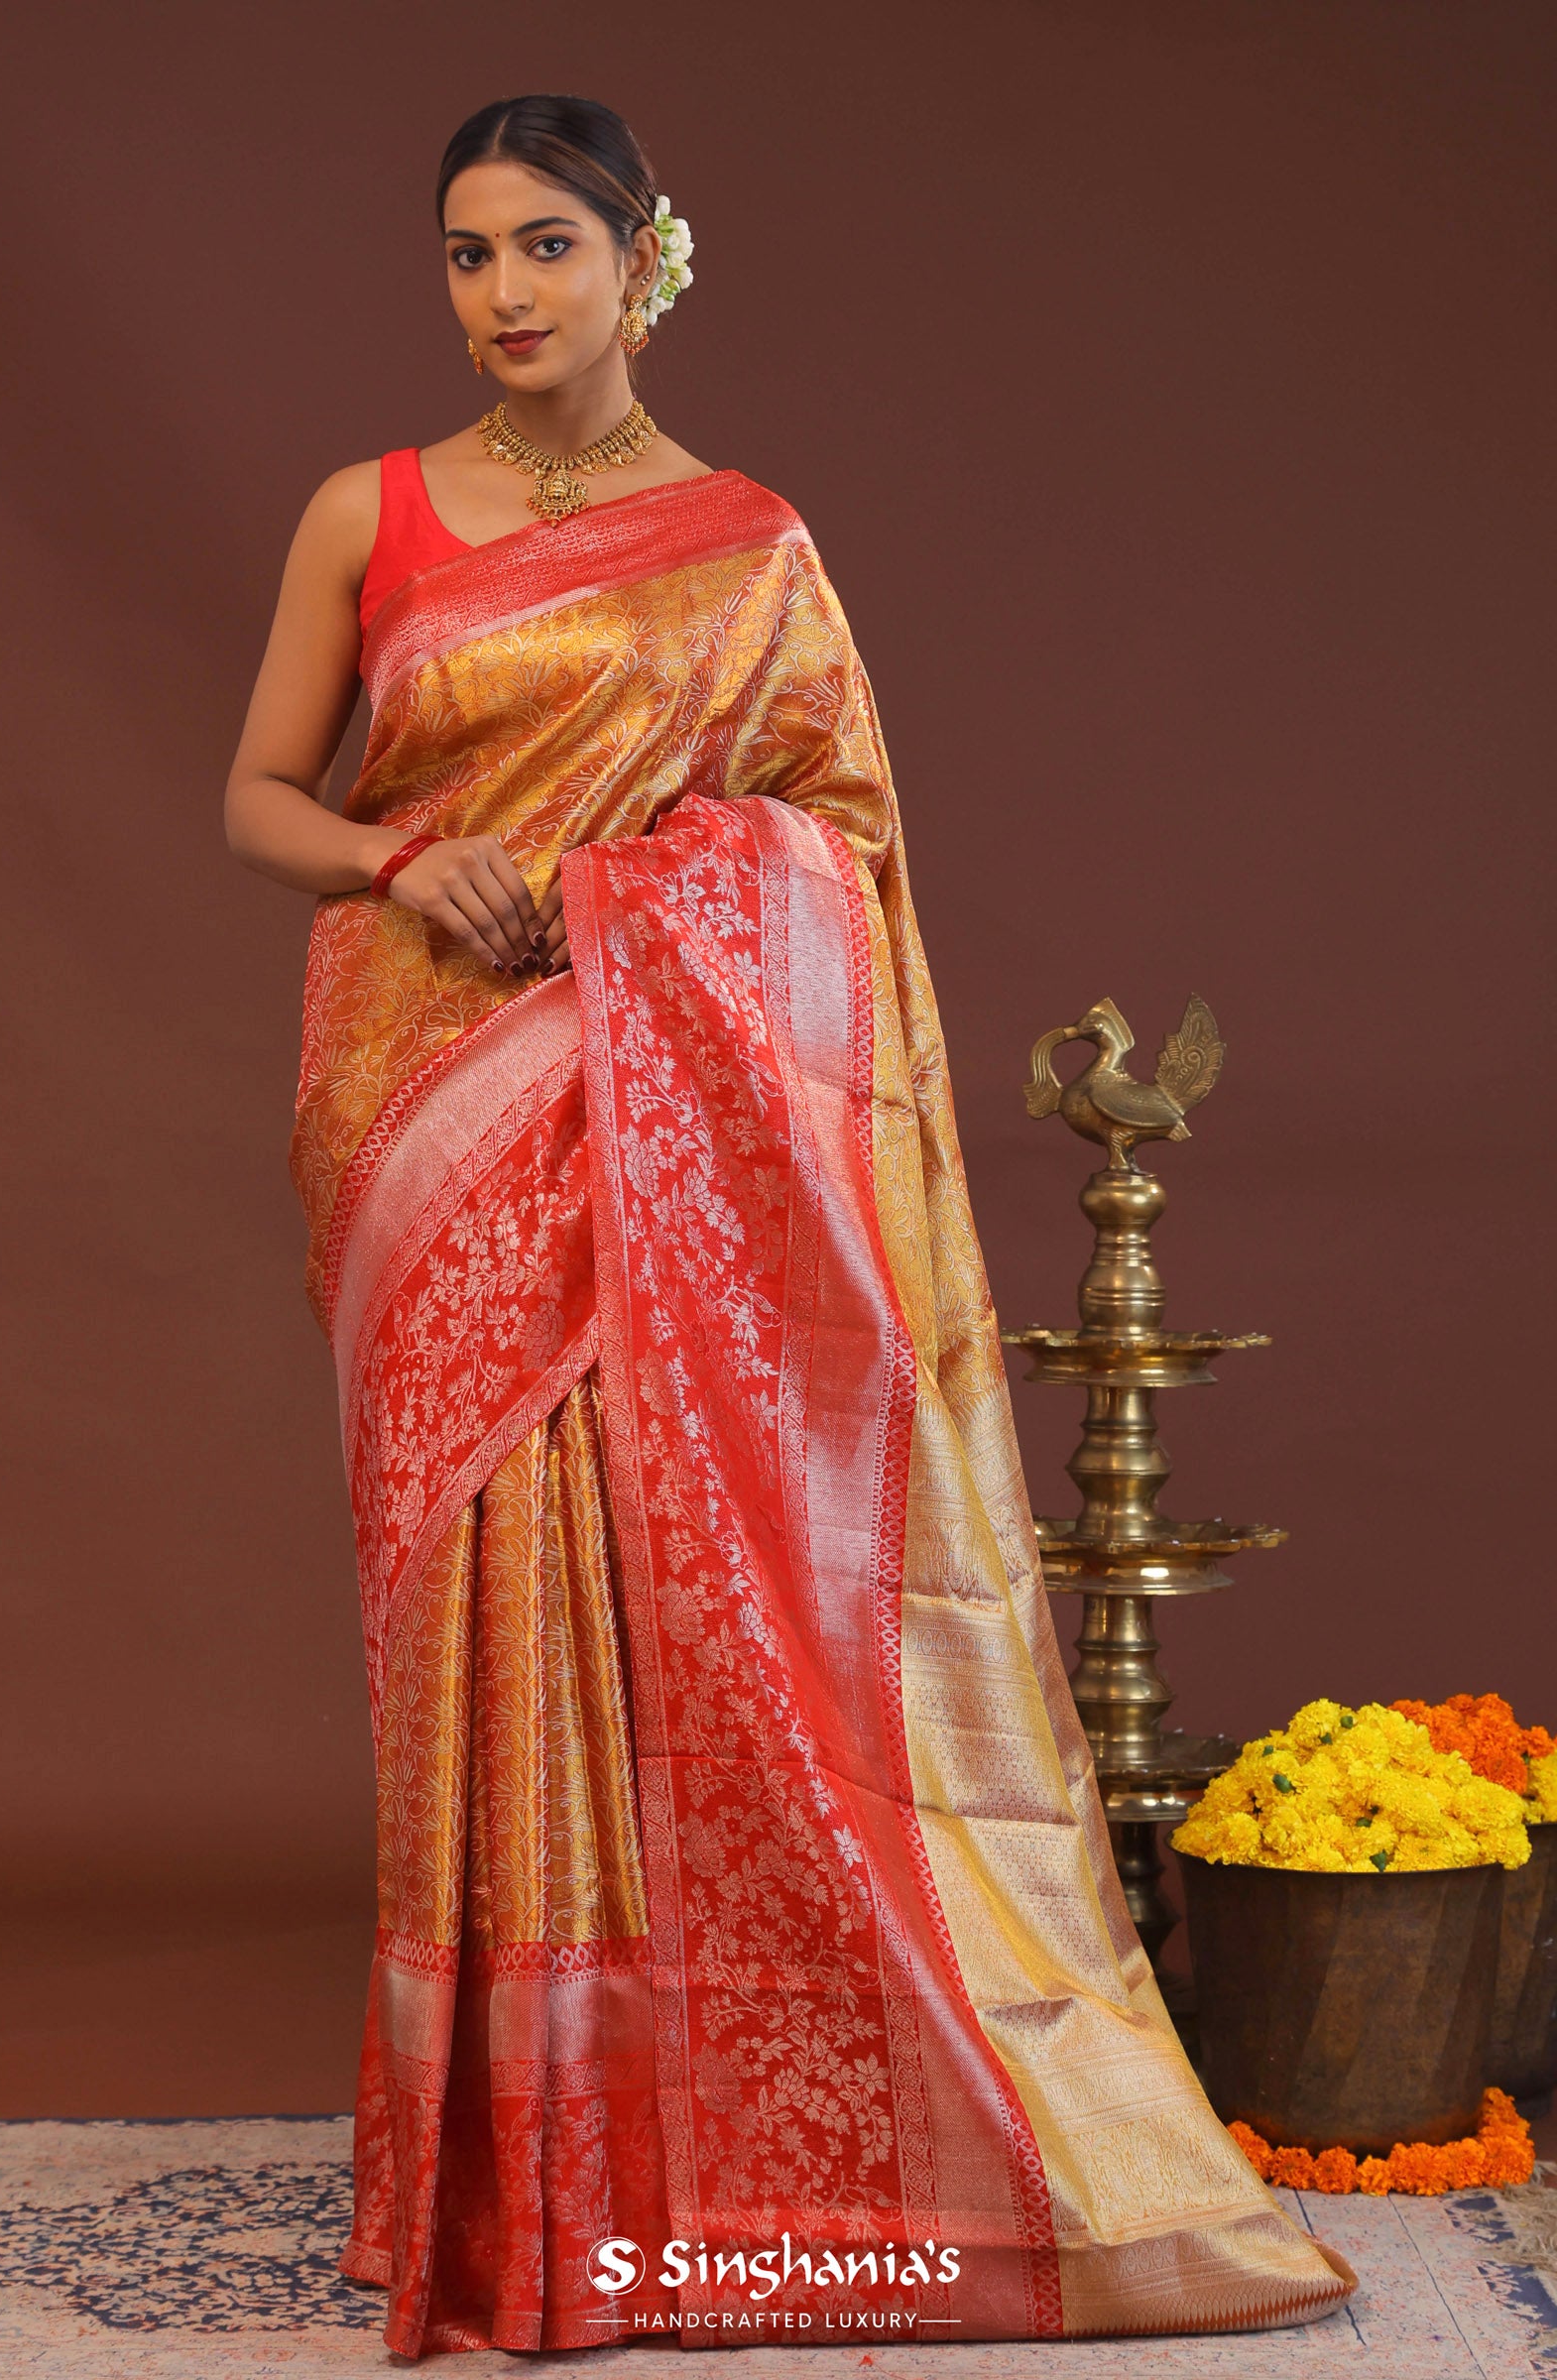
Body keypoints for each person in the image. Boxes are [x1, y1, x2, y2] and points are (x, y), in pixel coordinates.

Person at [225, 92, 1354, 2363]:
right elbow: (256, 795)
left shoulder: (746, 547)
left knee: (652, 1604)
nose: (502, 293)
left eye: (545, 244)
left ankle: (647, 2174)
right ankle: (479, 2179)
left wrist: (632, 916)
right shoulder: (373, 509)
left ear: (645, 257)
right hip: (420, 1110)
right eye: (463, 254)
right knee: (461, 1632)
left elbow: (838, 855)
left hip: (650, 1127)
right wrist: (389, 861)